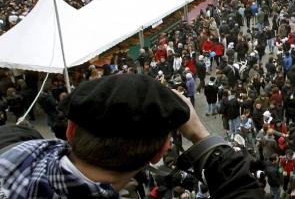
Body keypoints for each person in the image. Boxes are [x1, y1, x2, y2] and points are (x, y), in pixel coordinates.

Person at [0, 74, 264, 199]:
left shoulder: (12, 147)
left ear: (70, 129)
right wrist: (200, 134)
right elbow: (244, 193)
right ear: (160, 152)